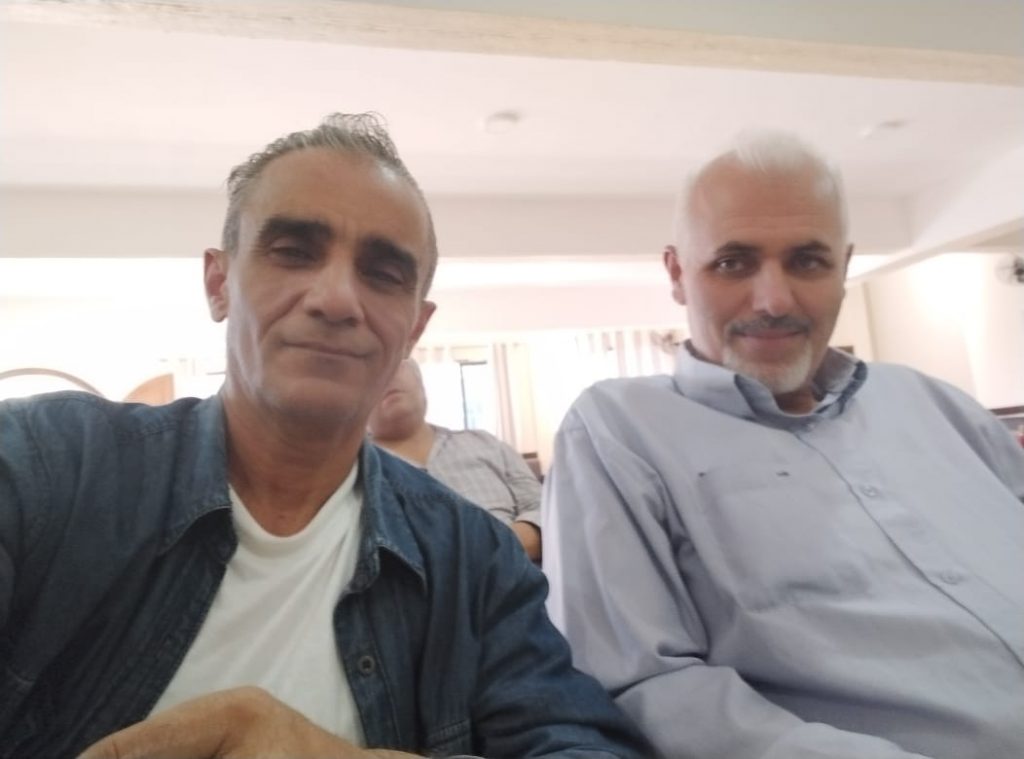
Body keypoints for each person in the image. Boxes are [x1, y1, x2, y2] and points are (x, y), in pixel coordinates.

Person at [0, 113, 649, 759]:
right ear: (219, 283)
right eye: (293, 251)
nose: (337, 299)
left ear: (415, 328)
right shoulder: (43, 467)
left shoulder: (471, 557)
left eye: (384, 273)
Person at [542, 130, 1024, 759]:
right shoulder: (619, 430)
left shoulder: (938, 405)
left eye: (807, 261)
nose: (773, 300)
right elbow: (644, 686)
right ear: (677, 274)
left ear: (844, 268)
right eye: (733, 263)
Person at [368, 358, 542, 561]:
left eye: (395, 363)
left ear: (421, 384)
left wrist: (498, 550)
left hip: (528, 573)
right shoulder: (352, 471)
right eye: (371, 372)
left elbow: (544, 510)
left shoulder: (488, 444)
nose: (387, 376)